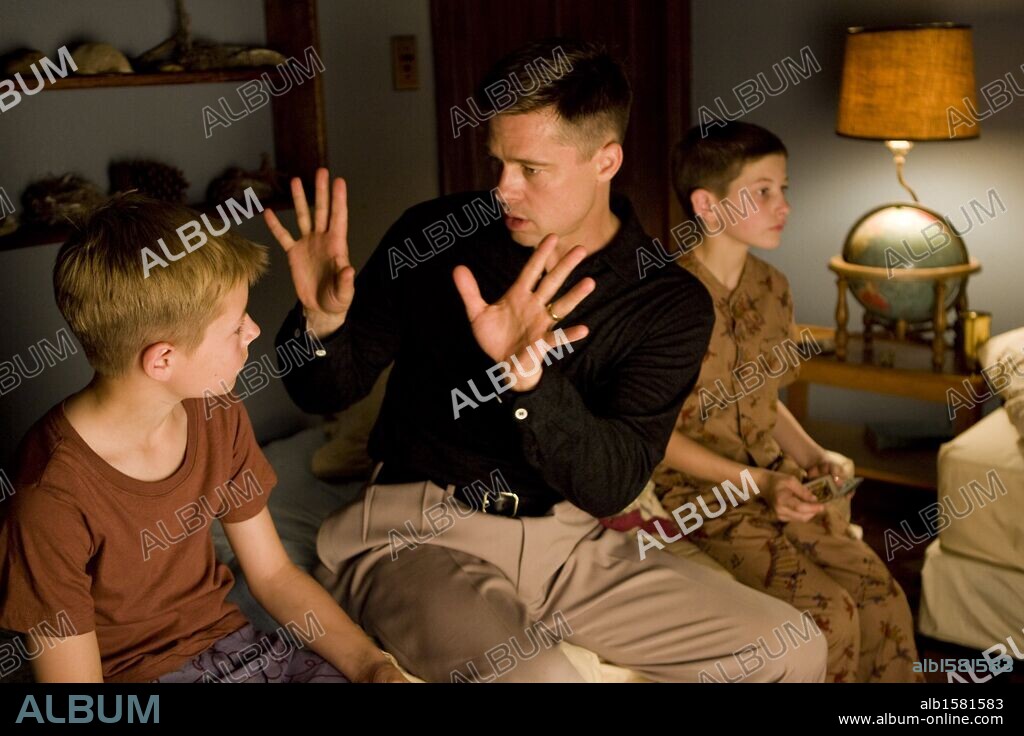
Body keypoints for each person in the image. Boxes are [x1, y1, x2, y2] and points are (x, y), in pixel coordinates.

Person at [265, 39, 827, 683]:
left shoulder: (668, 303)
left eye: (531, 169)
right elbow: (324, 391)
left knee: (792, 646)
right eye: (498, 162)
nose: (503, 189)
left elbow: (612, 482)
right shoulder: (434, 234)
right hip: (417, 533)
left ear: (605, 161)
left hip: (570, 540)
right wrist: (322, 322)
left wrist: (529, 379)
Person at [0, 195, 406, 683]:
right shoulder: (49, 498)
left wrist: (371, 665)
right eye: (236, 325)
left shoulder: (215, 410)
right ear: (163, 360)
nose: (254, 330)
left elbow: (273, 575)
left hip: (242, 650)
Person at [644, 121, 922, 682]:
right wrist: (758, 485)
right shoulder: (660, 300)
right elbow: (655, 437)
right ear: (708, 204)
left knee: (883, 596)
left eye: (784, 189)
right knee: (831, 617)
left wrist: (817, 454)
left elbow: (767, 403)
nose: (784, 206)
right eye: (764, 190)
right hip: (701, 497)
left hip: (777, 478)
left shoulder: (774, 287)